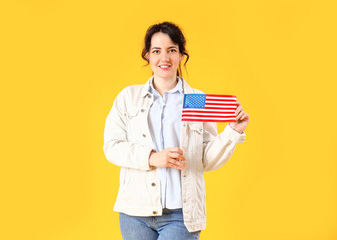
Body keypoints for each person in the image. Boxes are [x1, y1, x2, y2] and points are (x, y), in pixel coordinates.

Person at [103, 21, 250, 240]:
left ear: (181, 55)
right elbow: (112, 147)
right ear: (147, 56)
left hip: (181, 214)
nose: (165, 58)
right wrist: (152, 157)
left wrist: (232, 132)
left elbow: (205, 159)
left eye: (172, 50)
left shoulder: (196, 100)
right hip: (135, 212)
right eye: (156, 51)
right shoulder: (128, 98)